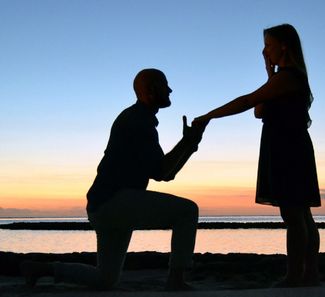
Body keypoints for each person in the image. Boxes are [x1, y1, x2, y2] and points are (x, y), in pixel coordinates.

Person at [20, 68, 207, 291]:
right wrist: (188, 143)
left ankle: (41, 269)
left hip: (105, 205)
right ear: (149, 91)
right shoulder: (138, 121)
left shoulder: (138, 119)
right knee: (187, 211)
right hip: (116, 201)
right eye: (164, 84)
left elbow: (166, 174)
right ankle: (176, 280)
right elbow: (162, 173)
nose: (170, 89)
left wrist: (189, 145)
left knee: (105, 279)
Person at [193, 24, 321, 287]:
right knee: (301, 213)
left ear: (284, 45)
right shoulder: (282, 78)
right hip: (286, 146)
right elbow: (260, 111)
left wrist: (209, 116)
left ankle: (296, 276)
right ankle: (308, 274)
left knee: (295, 215)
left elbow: (247, 102)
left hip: (288, 148)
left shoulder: (288, 78)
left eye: (269, 45)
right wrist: (268, 74)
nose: (265, 51)